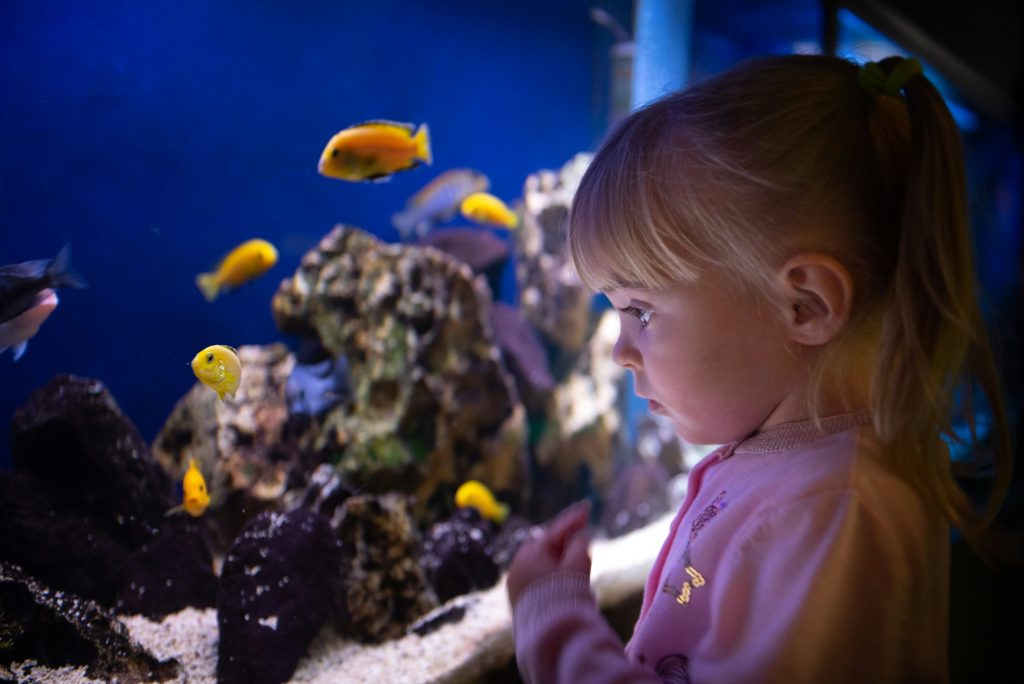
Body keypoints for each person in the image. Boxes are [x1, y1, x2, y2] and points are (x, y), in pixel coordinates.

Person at [506, 54, 1014, 683]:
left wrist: (552, 626)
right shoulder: (802, 476)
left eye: (639, 309)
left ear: (805, 304)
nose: (619, 350)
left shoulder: (828, 512)